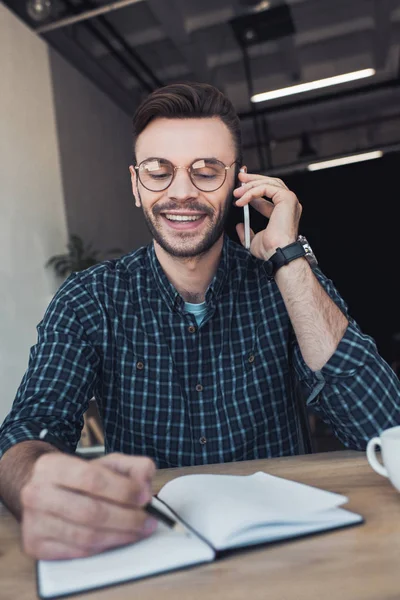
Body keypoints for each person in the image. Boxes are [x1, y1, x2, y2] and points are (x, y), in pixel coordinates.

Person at [0, 82, 399, 561]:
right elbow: (30, 428)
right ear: (135, 185)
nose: (182, 192)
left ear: (237, 184)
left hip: (289, 551)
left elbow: (384, 427)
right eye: (158, 172)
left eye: (207, 172)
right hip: (149, 552)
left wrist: (289, 258)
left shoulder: (287, 281)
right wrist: (34, 484)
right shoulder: (89, 299)